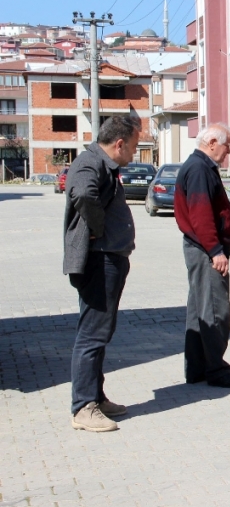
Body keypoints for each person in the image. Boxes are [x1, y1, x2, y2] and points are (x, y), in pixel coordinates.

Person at [64, 114, 141, 432]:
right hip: (100, 260)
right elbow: (83, 194)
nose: (134, 154)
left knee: (99, 332)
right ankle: (83, 407)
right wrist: (97, 228)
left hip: (107, 258)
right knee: (92, 334)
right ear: (119, 143)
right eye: (134, 148)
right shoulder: (89, 163)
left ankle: (95, 396)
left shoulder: (103, 164)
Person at [174, 123, 230, 388]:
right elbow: (201, 214)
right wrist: (216, 251)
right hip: (205, 251)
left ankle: (197, 369)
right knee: (215, 310)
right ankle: (216, 370)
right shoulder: (199, 169)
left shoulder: (199, 167)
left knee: (199, 312)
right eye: (227, 146)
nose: (228, 153)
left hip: (199, 249)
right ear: (213, 142)